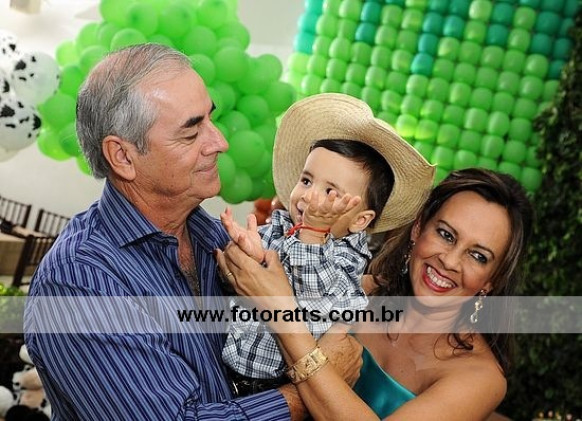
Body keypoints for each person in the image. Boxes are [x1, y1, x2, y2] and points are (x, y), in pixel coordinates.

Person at [22, 44, 362, 421]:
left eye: (211, 119)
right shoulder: (79, 283)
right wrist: (316, 382)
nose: (220, 143)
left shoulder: (213, 237)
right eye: (191, 133)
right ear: (123, 156)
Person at [217, 167, 534, 420]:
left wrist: (282, 314)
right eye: (446, 234)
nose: (450, 261)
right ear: (418, 228)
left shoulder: (481, 377)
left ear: (492, 280)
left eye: (478, 256)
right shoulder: (356, 290)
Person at [219, 93, 435, 395]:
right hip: (224, 367)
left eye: (330, 192)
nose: (308, 196)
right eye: (307, 181)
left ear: (360, 220)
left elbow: (313, 298)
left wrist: (313, 234)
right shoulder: (281, 227)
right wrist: (245, 255)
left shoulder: (347, 260)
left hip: (276, 388)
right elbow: (236, 287)